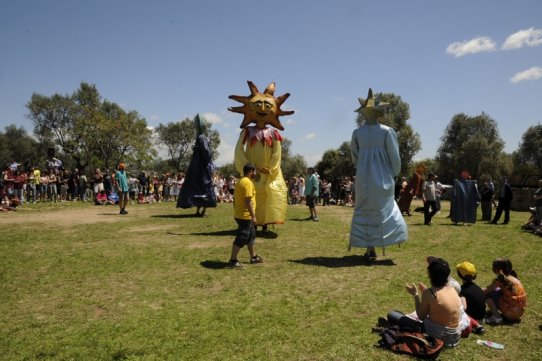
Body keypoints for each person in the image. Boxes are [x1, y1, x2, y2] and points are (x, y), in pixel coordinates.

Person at [349, 88, 408, 261]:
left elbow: (355, 157)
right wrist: (393, 174)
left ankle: (370, 248)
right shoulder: (386, 131)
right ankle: (373, 247)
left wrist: (362, 168)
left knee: (365, 210)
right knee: (382, 210)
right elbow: (394, 158)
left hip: (364, 178)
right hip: (382, 177)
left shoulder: (357, 133)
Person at [230, 81, 292, 231]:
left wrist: (271, 169)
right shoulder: (247, 132)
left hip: (268, 173)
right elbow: (239, 150)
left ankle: (264, 223)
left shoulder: (273, 133)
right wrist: (249, 169)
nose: (263, 109)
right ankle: (253, 222)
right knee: (252, 197)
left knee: (267, 196)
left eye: (267, 106)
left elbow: (277, 153)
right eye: (258, 105)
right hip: (253, 173)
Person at [386, 258, 468, 348]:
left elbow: (421, 316)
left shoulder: (430, 293)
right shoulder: (452, 289)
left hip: (438, 337)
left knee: (392, 314)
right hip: (455, 337)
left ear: (430, 275)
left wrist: (415, 294)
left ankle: (397, 322)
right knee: (401, 316)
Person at [177, 114, 217, 215]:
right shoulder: (202, 137)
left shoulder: (198, 137)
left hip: (195, 166)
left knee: (197, 186)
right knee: (204, 186)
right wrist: (209, 161)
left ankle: (199, 210)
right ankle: (202, 210)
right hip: (202, 167)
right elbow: (206, 152)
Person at [227, 163, 263, 268]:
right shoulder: (247, 183)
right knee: (242, 237)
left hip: (241, 214)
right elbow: (248, 201)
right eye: (255, 171)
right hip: (245, 216)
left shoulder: (240, 181)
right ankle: (233, 260)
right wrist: (253, 216)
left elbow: (235, 198)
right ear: (251, 171)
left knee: (251, 236)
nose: (256, 173)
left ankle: (254, 257)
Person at [483, 258, 527, 325]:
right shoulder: (513, 277)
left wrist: (473, 288)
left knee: (487, 294)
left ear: (499, 270)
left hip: (510, 314)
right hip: (519, 312)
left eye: (493, 267)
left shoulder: (500, 280)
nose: (492, 268)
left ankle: (497, 318)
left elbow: (484, 291)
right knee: (496, 290)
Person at [456, 261, 486, 334]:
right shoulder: (477, 287)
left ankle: (474, 326)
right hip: (482, 318)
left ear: (459, 275)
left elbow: (464, 307)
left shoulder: (462, 290)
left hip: (473, 319)